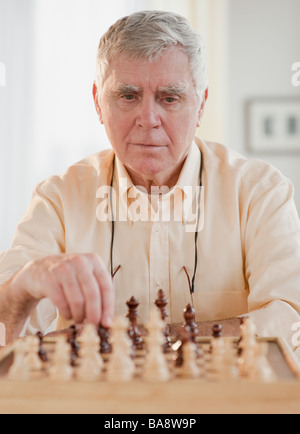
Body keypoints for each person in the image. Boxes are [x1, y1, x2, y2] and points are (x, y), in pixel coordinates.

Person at [0, 11, 300, 352]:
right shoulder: (57, 198)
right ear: (98, 102)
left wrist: (156, 339)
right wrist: (22, 286)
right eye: (128, 96)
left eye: (169, 98)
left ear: (200, 105)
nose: (148, 120)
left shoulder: (260, 192)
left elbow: (291, 318)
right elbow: (6, 331)